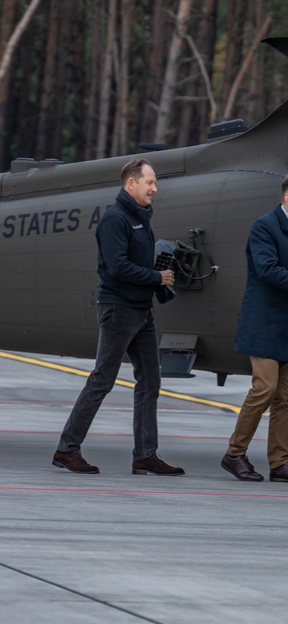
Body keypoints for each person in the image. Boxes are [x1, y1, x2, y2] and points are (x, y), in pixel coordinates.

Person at [52, 158, 184, 476]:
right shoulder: (115, 219)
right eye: (150, 182)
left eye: (155, 182)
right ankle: (67, 450)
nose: (155, 188)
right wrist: (158, 278)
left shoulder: (140, 218)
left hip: (141, 311)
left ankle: (145, 455)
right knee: (102, 380)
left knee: (151, 381)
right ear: (131, 184)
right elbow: (118, 267)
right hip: (118, 310)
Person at [221, 171, 288, 484]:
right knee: (264, 389)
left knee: (286, 395)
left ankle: (280, 462)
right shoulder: (264, 227)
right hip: (266, 323)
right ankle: (234, 454)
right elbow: (268, 271)